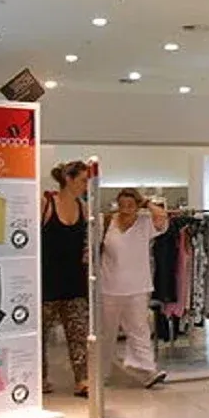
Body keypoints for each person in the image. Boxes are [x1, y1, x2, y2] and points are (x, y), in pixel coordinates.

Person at [100, 188, 168, 388]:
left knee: (139, 329)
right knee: (106, 332)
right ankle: (100, 372)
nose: (126, 209)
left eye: (130, 205)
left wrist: (146, 203)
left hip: (138, 287)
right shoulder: (107, 223)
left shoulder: (145, 223)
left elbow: (162, 216)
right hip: (108, 286)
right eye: (122, 204)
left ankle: (147, 370)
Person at [41, 160, 90, 398]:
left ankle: (82, 379)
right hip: (46, 283)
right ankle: (39, 378)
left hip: (74, 283)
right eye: (82, 180)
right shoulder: (46, 204)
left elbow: (86, 243)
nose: (85, 185)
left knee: (79, 334)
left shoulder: (84, 208)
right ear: (69, 179)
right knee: (40, 335)